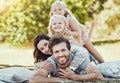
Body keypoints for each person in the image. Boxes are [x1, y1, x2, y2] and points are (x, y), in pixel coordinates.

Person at [29, 35, 103, 82]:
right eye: (57, 52)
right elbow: (33, 79)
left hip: (88, 56)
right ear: (52, 54)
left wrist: (74, 77)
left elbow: (98, 75)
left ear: (70, 50)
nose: (60, 54)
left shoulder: (78, 57)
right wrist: (62, 80)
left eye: (63, 50)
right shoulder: (50, 62)